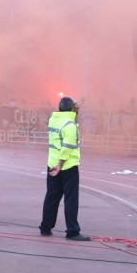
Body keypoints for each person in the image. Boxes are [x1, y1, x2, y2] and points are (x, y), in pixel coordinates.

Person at [40, 97, 88, 240]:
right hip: (67, 166)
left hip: (52, 164)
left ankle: (45, 227)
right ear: (71, 108)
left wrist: (76, 113)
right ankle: (72, 231)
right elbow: (67, 146)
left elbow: (72, 126)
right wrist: (60, 165)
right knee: (71, 199)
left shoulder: (53, 120)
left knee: (51, 197)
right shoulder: (70, 124)